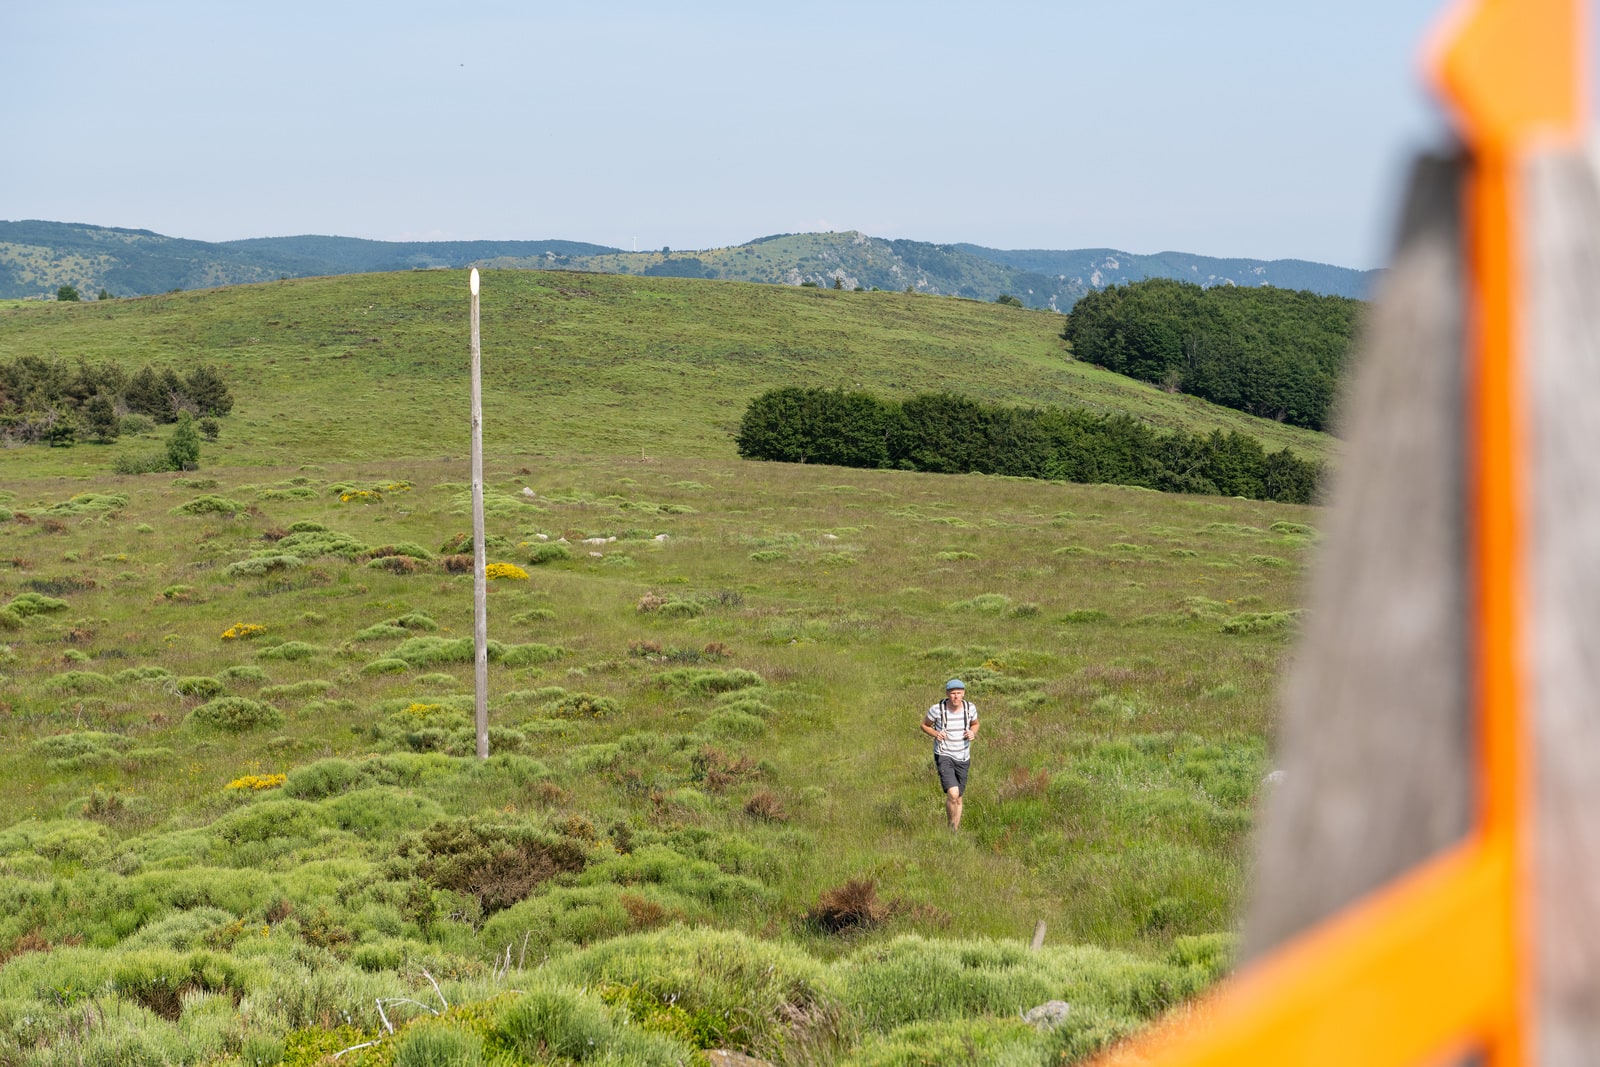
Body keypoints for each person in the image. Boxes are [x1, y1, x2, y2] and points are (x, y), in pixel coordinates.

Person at [921, 679, 979, 829]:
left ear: (963, 693)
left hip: (963, 756)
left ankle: (954, 830)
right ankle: (950, 825)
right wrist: (936, 733)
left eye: (959, 693)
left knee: (959, 797)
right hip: (944, 754)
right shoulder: (937, 709)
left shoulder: (970, 708)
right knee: (953, 794)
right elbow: (924, 725)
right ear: (947, 694)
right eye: (953, 693)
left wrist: (972, 733)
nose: (956, 697)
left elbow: (975, 723)